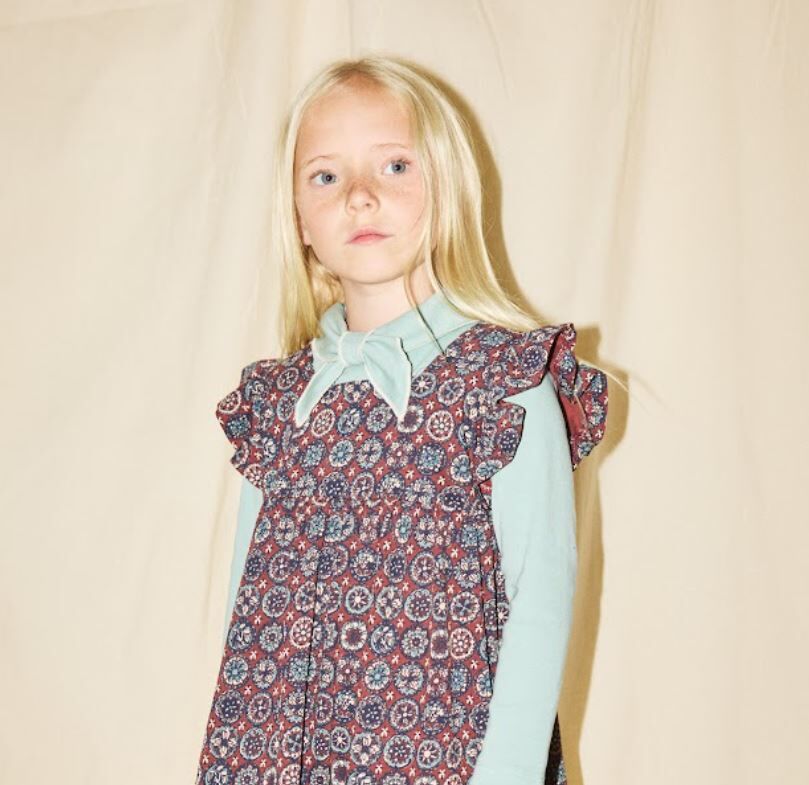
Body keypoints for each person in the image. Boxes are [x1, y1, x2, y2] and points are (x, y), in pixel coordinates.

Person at [195, 54, 609, 785]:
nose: (360, 196)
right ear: (298, 219)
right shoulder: (279, 406)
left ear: (446, 189)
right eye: (326, 176)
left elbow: (542, 593)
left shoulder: (503, 385)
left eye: (393, 166)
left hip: (454, 761)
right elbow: (249, 617)